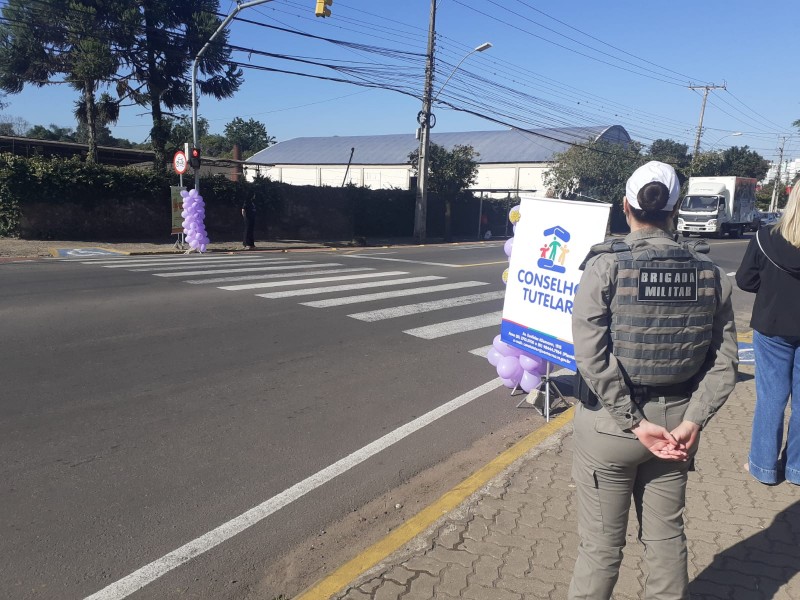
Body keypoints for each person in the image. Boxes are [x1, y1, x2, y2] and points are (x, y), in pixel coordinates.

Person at [569, 161, 738, 599]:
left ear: (625, 206)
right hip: (677, 429)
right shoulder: (710, 273)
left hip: (612, 428)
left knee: (601, 549)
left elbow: (591, 354)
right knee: (666, 541)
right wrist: (693, 421)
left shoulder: (605, 266)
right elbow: (724, 362)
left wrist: (633, 421)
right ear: (676, 210)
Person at [736, 184, 800, 486]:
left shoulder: (765, 237)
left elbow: (745, 279)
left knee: (771, 397)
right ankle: (797, 469)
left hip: (772, 326)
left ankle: (763, 465)